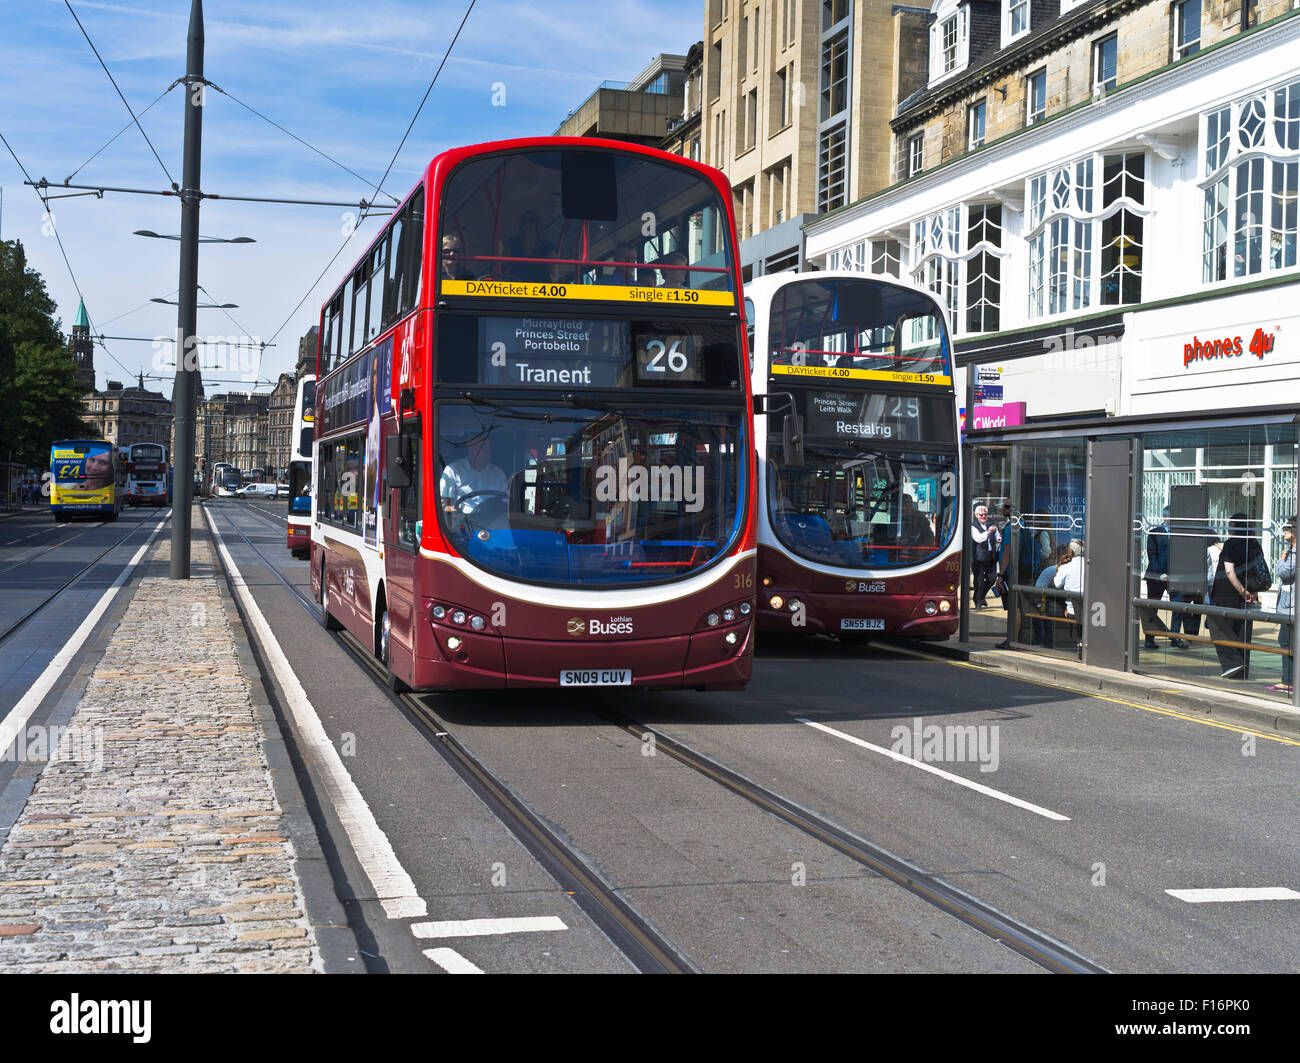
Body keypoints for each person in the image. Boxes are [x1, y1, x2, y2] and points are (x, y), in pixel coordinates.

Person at [1207, 513, 1266, 680]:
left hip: (1227, 593)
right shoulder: (1253, 543)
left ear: (1234, 526)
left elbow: (1229, 571)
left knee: (1220, 628)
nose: (1227, 527)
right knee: (1242, 631)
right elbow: (1257, 569)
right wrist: (1252, 591)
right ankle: (1242, 671)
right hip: (1250, 592)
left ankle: (1232, 664)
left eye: (1230, 524)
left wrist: (1241, 591)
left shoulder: (1231, 544)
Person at [440, 430, 509, 517]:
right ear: (471, 450)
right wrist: (452, 509)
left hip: (492, 520)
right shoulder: (453, 470)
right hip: (463, 521)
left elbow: (504, 502)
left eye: (488, 447)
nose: (487, 451)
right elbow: (443, 504)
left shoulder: (498, 474)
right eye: (482, 447)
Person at [1270, 517, 1295, 694]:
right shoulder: (1291, 550)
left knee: (1285, 641)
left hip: (1291, 606)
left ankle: (1288, 681)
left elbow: (1284, 571)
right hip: (1289, 603)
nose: (1284, 530)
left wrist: (1281, 559)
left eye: (1288, 527)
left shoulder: (1294, 551)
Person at [1033, 546, 1073, 648]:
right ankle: (1043, 641)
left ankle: (1045, 641)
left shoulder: (1060, 569)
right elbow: (1056, 584)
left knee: (1046, 618)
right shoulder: (1057, 569)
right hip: (1041, 595)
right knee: (1045, 618)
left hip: (1046, 594)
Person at [502, 212, 556, 283]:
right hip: (516, 288)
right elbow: (501, 268)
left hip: (539, 289)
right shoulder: (512, 243)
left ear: (537, 224)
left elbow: (553, 276)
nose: (527, 224)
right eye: (524, 222)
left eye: (531, 221)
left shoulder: (547, 247)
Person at [1053, 538, 1085, 648]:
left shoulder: (1066, 567)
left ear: (1071, 552)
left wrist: (1059, 565)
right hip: (1091, 610)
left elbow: (1056, 584)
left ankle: (1078, 642)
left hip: (1072, 611)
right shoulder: (1091, 567)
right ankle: (1081, 641)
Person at [970, 503, 1000, 608]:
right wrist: (989, 532)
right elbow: (978, 538)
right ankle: (978, 601)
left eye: (985, 514)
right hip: (978, 557)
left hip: (990, 557)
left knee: (992, 578)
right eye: (981, 514)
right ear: (976, 515)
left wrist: (998, 538)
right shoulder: (973, 526)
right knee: (979, 581)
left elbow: (997, 536)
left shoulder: (991, 525)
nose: (983, 516)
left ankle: (981, 597)